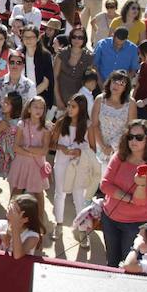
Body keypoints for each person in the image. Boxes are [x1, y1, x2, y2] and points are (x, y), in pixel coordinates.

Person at [99, 119, 147, 267]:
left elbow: (140, 201)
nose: (133, 141)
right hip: (110, 218)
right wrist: (128, 198)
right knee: (112, 262)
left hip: (135, 224)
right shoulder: (119, 156)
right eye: (130, 137)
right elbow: (104, 185)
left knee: (129, 265)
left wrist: (140, 185)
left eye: (139, 137)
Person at [50, 94, 94, 238]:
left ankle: (82, 231)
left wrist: (80, 151)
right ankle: (59, 224)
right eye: (69, 105)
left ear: (81, 108)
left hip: (79, 166)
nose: (69, 109)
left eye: (73, 106)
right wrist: (61, 148)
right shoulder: (62, 121)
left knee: (79, 196)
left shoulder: (88, 125)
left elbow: (93, 149)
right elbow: (51, 143)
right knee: (59, 193)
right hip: (62, 163)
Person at [7, 95, 52, 226]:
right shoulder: (22, 124)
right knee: (16, 191)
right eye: (35, 107)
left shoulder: (46, 128)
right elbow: (16, 147)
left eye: (41, 107)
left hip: (36, 166)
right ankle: (10, 219)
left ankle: (39, 222)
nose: (38, 110)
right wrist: (33, 151)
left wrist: (27, 149)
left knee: (38, 194)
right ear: (29, 109)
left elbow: (44, 151)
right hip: (21, 164)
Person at [0, 194, 45, 259]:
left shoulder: (32, 236)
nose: (9, 210)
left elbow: (17, 255)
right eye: (11, 207)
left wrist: (15, 226)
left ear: (25, 219)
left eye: (15, 210)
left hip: (18, 270)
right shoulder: (1, 224)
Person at [93, 70, 137, 169]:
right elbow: (94, 125)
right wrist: (103, 147)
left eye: (121, 83)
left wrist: (112, 146)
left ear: (126, 87)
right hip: (99, 146)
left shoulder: (131, 103)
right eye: (114, 81)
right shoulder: (100, 99)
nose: (116, 85)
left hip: (120, 149)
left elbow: (130, 129)